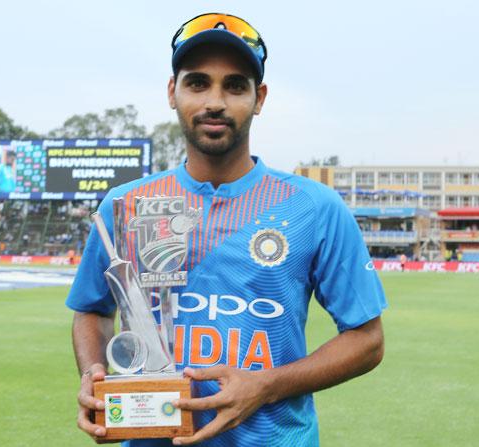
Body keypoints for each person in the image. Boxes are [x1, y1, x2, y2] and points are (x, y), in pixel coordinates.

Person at [66, 12, 386, 447]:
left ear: (259, 98)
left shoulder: (314, 207)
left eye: (234, 85)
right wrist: (94, 374)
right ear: (172, 93)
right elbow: (91, 309)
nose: (214, 101)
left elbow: (367, 341)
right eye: (197, 83)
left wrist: (265, 385)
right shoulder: (125, 204)